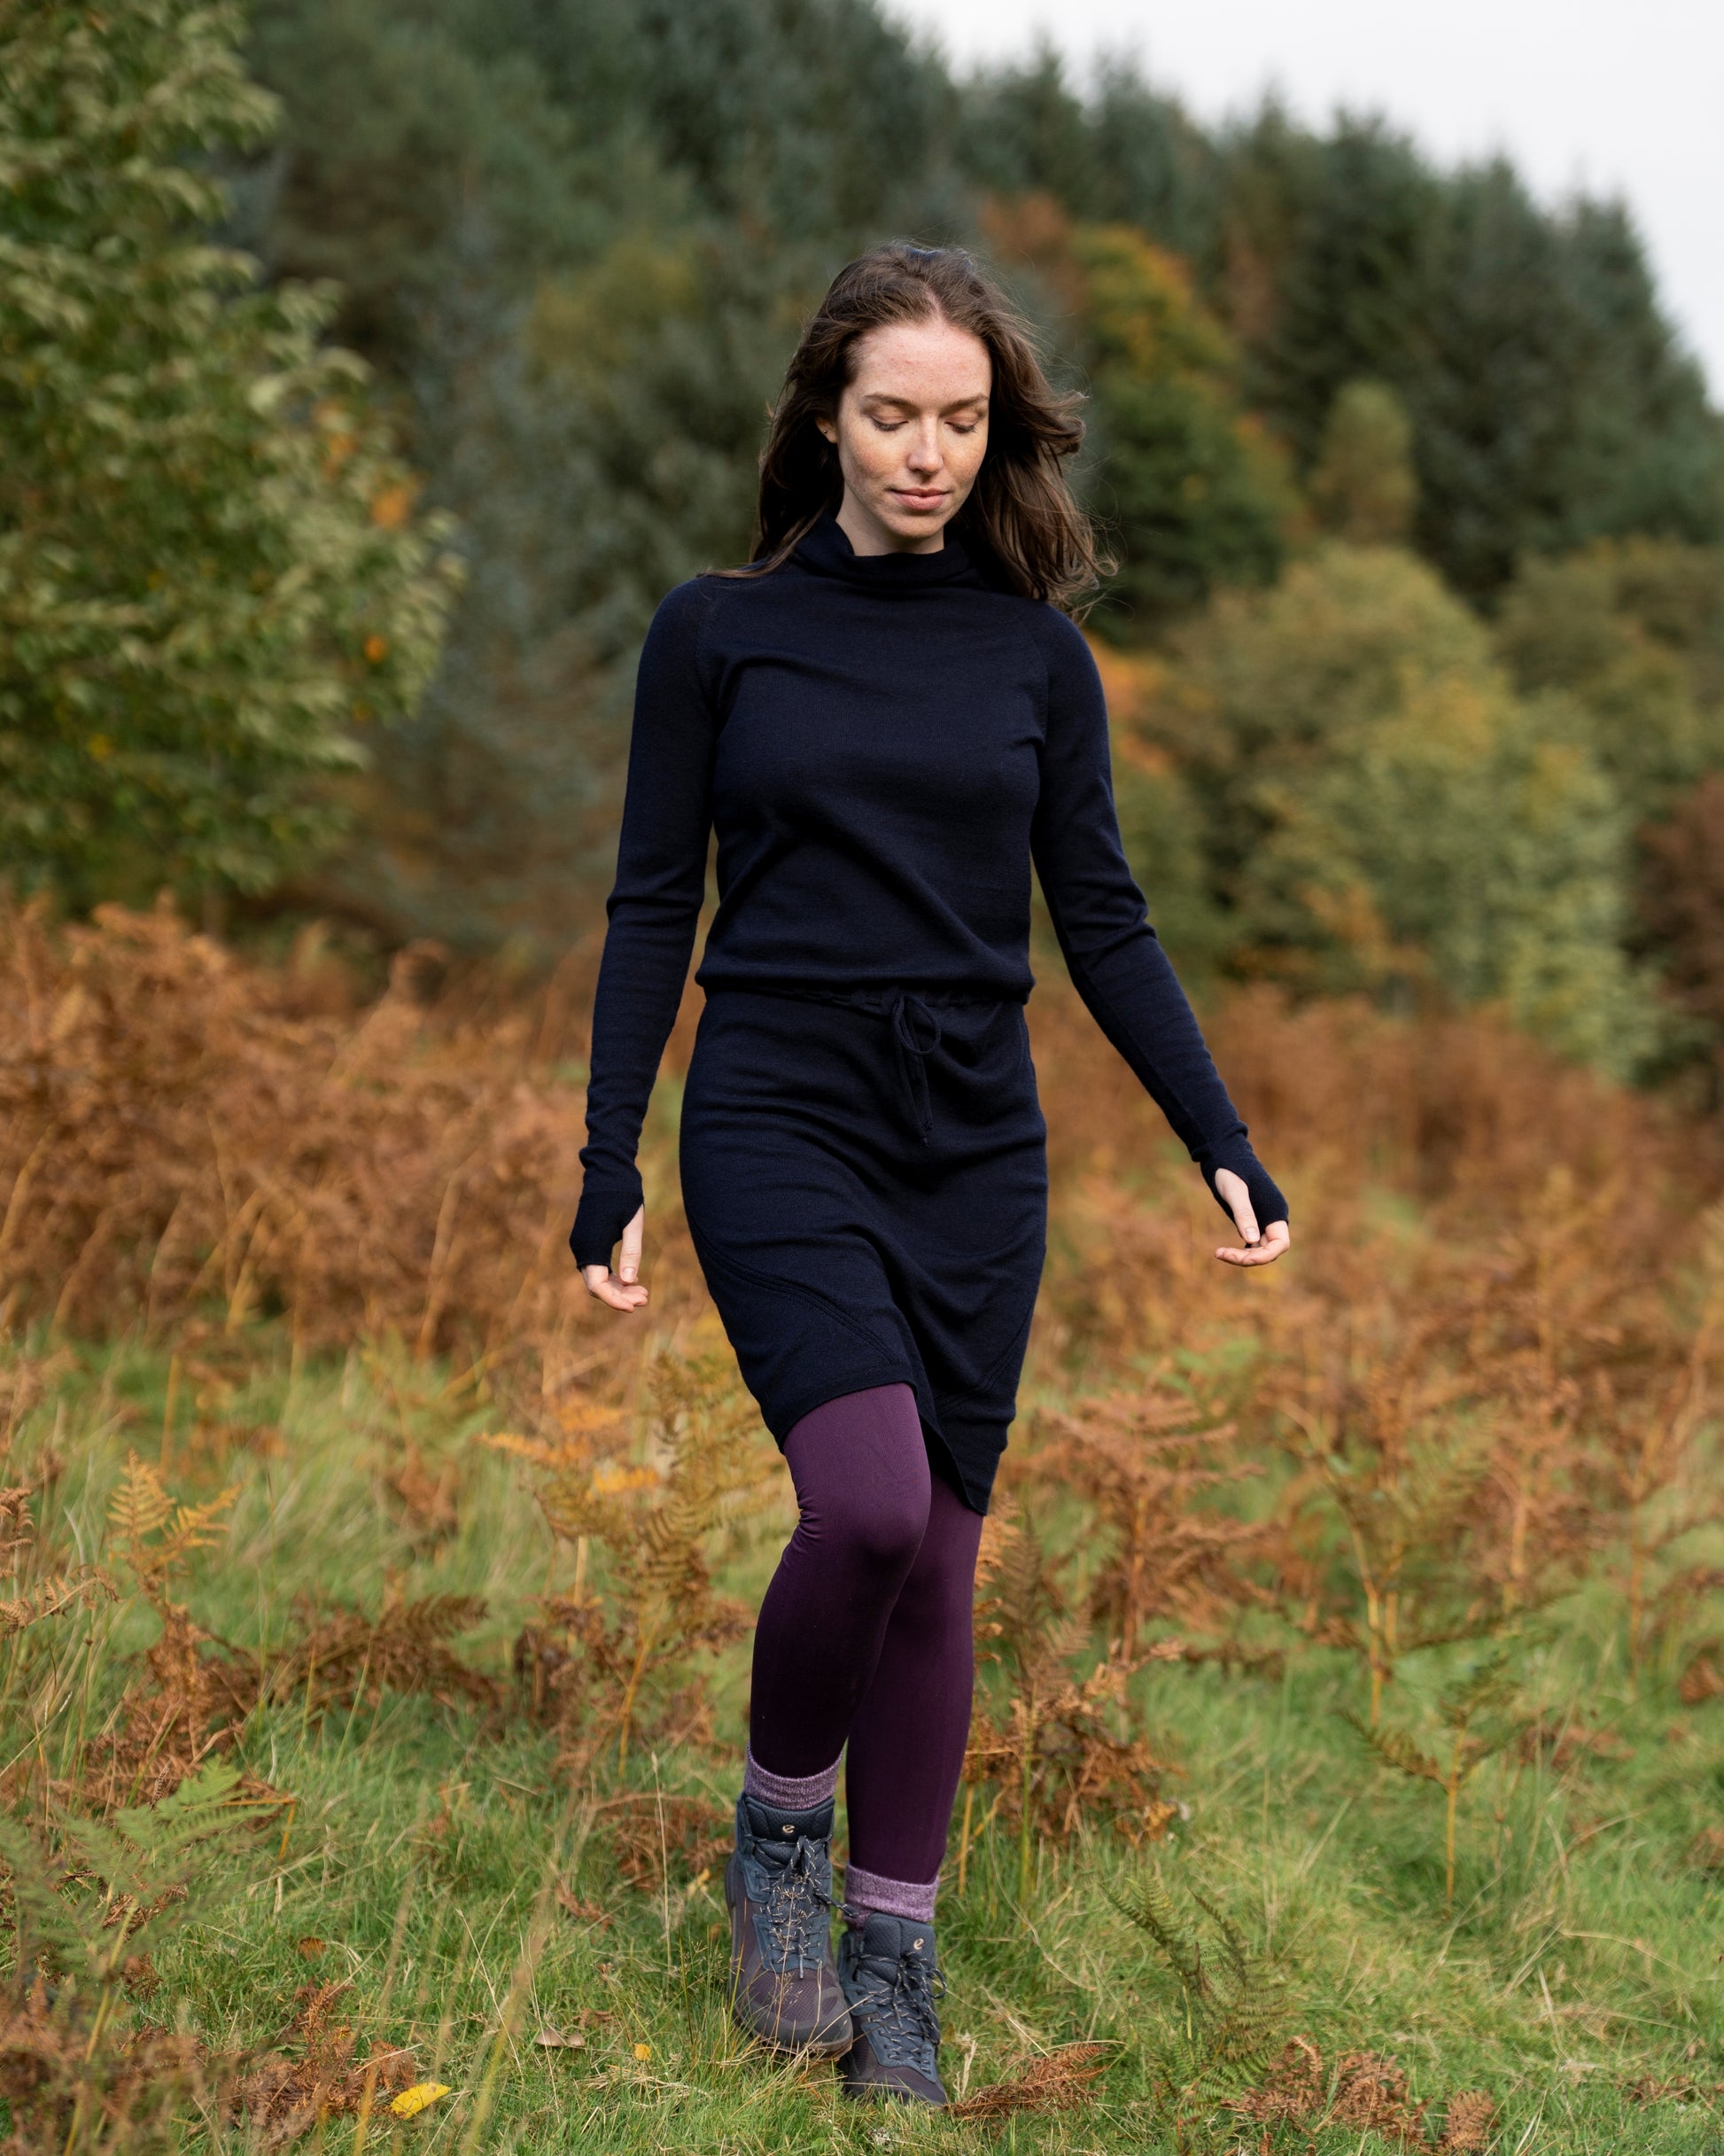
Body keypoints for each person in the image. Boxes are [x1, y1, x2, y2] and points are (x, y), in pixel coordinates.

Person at [569, 242, 1290, 2108]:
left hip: (974, 1142)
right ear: (823, 416)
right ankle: (779, 1837)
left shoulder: (1037, 656)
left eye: (962, 421)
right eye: (891, 414)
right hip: (779, 1110)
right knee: (869, 1511)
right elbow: (657, 898)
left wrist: (1215, 1133)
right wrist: (606, 1153)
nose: (927, 453)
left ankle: (894, 1955)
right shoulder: (715, 633)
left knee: (946, 1560)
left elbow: (1102, 916)